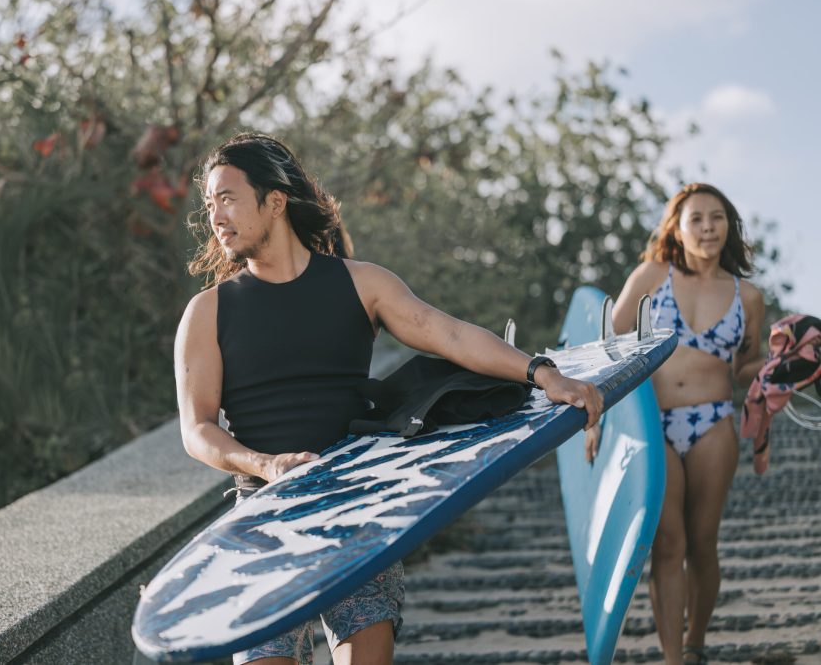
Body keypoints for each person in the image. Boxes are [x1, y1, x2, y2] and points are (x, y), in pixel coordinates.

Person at [174, 131, 604, 665]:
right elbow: (197, 430)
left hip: (361, 498)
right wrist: (266, 465)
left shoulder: (362, 284)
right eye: (209, 202)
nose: (215, 215)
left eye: (228, 197)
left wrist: (542, 373)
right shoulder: (208, 312)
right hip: (264, 515)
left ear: (275, 201)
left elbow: (448, 334)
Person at [587, 183, 766, 665]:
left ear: (729, 227)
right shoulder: (651, 275)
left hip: (713, 423)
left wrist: (778, 369)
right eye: (697, 219)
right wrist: (593, 421)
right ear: (677, 228)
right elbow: (608, 349)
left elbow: (748, 367)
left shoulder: (747, 296)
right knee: (668, 542)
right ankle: (672, 659)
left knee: (703, 542)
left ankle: (695, 645)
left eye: (718, 218)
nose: (708, 227)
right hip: (650, 424)